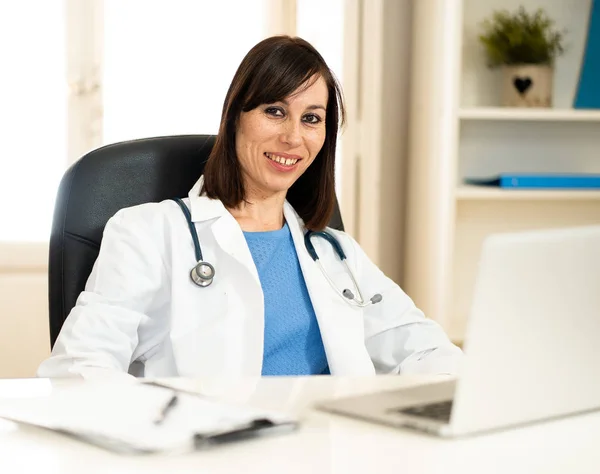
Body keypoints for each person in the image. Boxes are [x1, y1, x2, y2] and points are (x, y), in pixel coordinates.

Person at [38, 35, 462, 380]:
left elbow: (426, 349)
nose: (294, 138)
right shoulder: (148, 232)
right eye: (275, 111)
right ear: (235, 117)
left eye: (312, 118)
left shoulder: (335, 251)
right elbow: (78, 368)